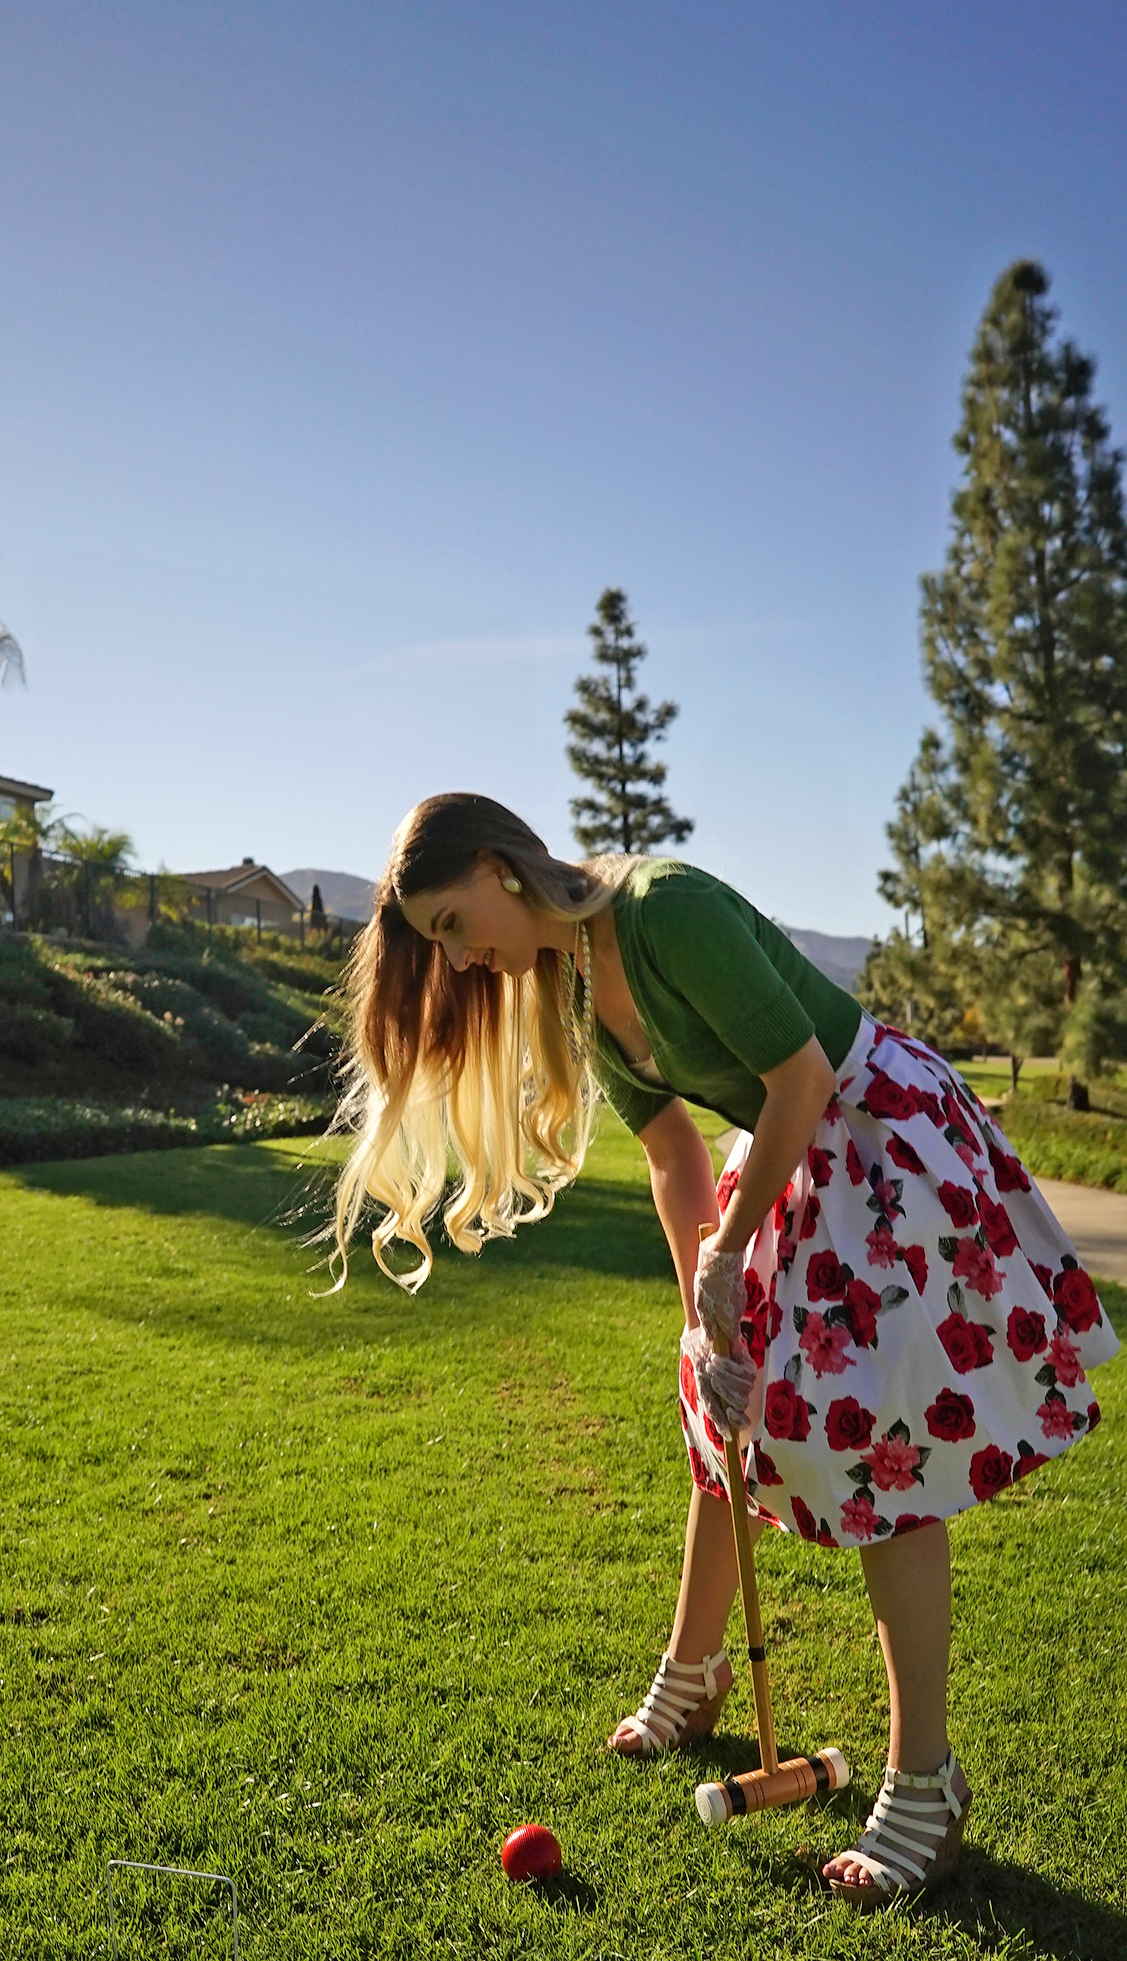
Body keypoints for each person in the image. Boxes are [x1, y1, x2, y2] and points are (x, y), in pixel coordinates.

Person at [332, 793, 1118, 1905]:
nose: (460, 959)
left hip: (875, 1138)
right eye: (438, 943)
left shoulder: (664, 911)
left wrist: (730, 1249)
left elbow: (803, 1078)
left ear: (501, 867)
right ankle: (693, 1674)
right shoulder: (573, 986)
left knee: (878, 1449)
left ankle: (924, 1787)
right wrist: (705, 1323)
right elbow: (670, 1153)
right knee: (720, 1412)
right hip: (791, 1155)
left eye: (453, 924)